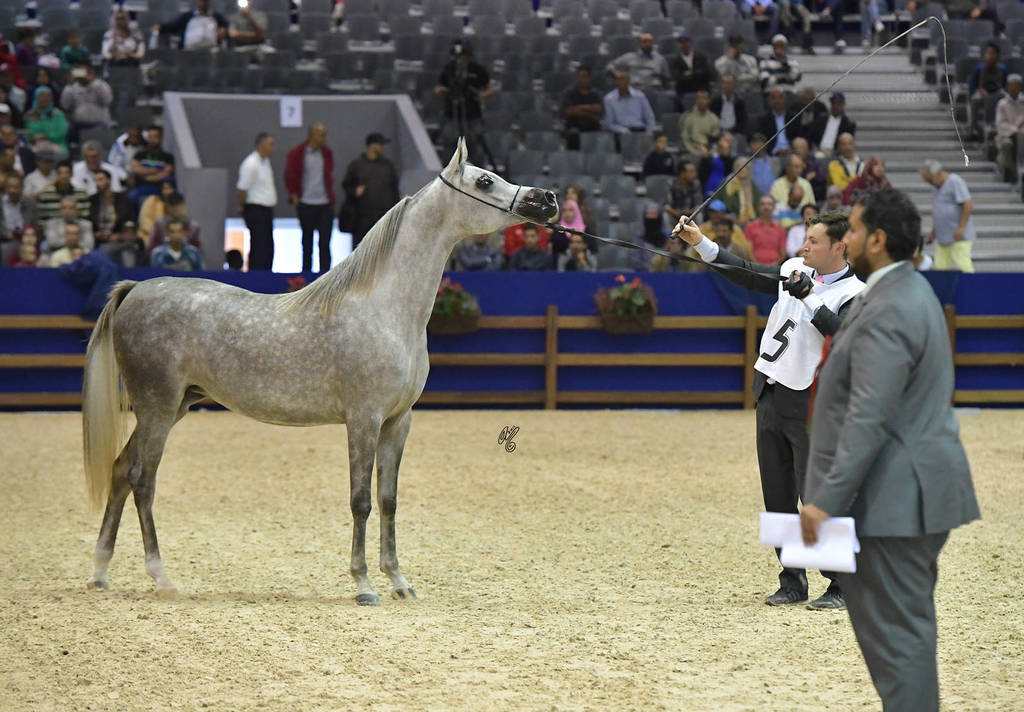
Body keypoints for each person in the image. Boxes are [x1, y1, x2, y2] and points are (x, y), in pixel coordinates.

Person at [800, 188, 979, 710]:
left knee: (897, 643)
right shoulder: (904, 291)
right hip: (906, 494)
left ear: (876, 240)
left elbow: (869, 413)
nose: (847, 237)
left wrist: (826, 499)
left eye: (853, 229)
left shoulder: (890, 303)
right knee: (903, 634)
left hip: (897, 501)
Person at [676, 208, 865, 609]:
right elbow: (746, 272)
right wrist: (700, 243)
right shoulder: (794, 268)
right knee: (777, 495)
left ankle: (841, 584)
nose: (804, 246)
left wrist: (809, 297)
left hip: (814, 401)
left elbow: (842, 334)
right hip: (772, 390)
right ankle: (792, 580)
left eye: (813, 241)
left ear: (839, 246)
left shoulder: (856, 293)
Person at [285, 122, 335, 272]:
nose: (324, 138)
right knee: (307, 242)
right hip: (306, 203)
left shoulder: (327, 153)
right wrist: (294, 195)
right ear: (312, 135)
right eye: (321, 135)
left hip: (324, 203)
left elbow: (329, 174)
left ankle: (326, 275)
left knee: (325, 243)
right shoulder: (297, 153)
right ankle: (306, 275)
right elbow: (290, 175)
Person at [435, 39, 492, 166]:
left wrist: (481, 95)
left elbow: (489, 89)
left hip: (472, 114)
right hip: (452, 114)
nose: (461, 58)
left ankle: (478, 172)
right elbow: (439, 87)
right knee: (450, 143)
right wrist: (442, 92)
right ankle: (448, 171)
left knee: (474, 144)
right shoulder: (449, 69)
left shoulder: (478, 69)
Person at [341, 132, 400, 251]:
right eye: (381, 144)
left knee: (383, 252)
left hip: (384, 218)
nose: (383, 148)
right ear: (372, 146)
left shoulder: (387, 165)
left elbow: (395, 190)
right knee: (360, 252)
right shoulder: (357, 165)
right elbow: (346, 185)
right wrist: (354, 191)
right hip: (362, 219)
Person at [921, 159, 975, 273]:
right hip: (943, 238)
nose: (930, 184)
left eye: (930, 180)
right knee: (940, 268)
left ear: (938, 174)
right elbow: (940, 211)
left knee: (964, 266)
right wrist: (934, 231)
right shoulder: (936, 188)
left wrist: (961, 227)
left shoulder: (954, 181)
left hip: (959, 237)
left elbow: (968, 203)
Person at [236, 132, 277, 270]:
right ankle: (257, 276)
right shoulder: (251, 164)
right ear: (261, 146)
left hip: (265, 209)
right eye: (271, 144)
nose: (273, 148)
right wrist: (243, 206)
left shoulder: (265, 162)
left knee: (268, 246)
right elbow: (242, 189)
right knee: (259, 246)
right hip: (255, 208)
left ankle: (266, 273)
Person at [88, 168, 136, 264]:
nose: (97, 183)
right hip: (98, 241)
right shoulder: (92, 200)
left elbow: (131, 222)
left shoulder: (123, 199)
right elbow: (89, 221)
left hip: (120, 239)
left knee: (105, 251)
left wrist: (120, 236)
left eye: (100, 179)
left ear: (108, 180)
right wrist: (95, 234)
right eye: (96, 180)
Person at [60, 65, 114, 141]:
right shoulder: (72, 87)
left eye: (84, 72)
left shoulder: (100, 85)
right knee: (67, 128)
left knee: (98, 131)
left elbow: (107, 100)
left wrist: (92, 82)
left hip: (98, 124)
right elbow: (65, 105)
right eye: (79, 72)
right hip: (77, 124)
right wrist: (69, 85)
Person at [129, 125, 175, 208]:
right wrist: (156, 170)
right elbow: (135, 169)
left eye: (155, 137)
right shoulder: (139, 155)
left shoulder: (167, 157)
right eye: (150, 137)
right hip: (141, 187)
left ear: (160, 138)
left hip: (159, 188)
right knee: (131, 197)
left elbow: (167, 172)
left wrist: (147, 175)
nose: (152, 140)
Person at [155, 0, 229, 51]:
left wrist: (223, 30)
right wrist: (161, 27)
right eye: (201, 1)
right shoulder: (188, 16)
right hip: (189, 50)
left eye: (205, 1)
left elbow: (225, 27)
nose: (203, 4)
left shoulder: (216, 17)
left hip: (211, 49)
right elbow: (174, 25)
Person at [562, 65, 603, 151]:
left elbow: (598, 109)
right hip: (574, 125)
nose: (582, 79)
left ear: (589, 77)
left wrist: (578, 109)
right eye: (579, 77)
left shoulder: (595, 93)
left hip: (592, 126)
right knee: (573, 134)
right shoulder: (569, 93)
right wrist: (590, 111)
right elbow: (569, 111)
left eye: (584, 77)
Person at [995, 73, 1024, 183]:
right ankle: (1010, 172)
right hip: (1007, 135)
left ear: (1020, 87)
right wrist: (1014, 131)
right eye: (1010, 85)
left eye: (1015, 85)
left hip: (1022, 134)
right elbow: (1000, 124)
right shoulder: (1002, 104)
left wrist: (1020, 132)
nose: (1012, 88)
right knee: (1007, 144)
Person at [24, 87, 68, 156]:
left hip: (57, 144)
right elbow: (27, 133)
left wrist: (47, 136)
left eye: (47, 96)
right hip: (35, 144)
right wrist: (34, 138)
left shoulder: (58, 114)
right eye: (41, 96)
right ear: (36, 97)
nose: (44, 98)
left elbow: (62, 132)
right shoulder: (30, 115)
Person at [745, 194, 788, 264]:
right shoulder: (750, 227)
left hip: (775, 269)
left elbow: (783, 253)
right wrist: (758, 266)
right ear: (758, 207)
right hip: (754, 268)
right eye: (763, 204)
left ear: (774, 208)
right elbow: (748, 251)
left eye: (769, 204)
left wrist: (774, 265)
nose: (766, 207)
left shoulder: (781, 230)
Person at [755, 87, 796, 156]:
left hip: (791, 152)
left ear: (785, 99)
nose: (777, 100)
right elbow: (762, 139)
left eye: (780, 97)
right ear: (770, 100)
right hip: (772, 153)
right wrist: (775, 151)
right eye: (774, 98)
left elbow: (797, 136)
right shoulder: (763, 119)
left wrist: (791, 149)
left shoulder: (793, 117)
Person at [721, 156, 762, 226]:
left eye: (746, 167)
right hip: (732, 221)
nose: (743, 170)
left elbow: (758, 204)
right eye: (739, 167)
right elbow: (719, 202)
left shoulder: (752, 185)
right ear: (735, 168)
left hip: (751, 221)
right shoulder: (727, 184)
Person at [813, 92, 856, 157]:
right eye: (834, 103)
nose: (836, 106)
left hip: (836, 153)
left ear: (843, 105)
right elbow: (811, 136)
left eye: (838, 104)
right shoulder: (821, 119)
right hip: (819, 150)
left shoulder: (848, 124)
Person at [679, 89, 720, 156]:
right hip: (690, 152)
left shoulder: (714, 119)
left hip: (708, 152)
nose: (701, 101)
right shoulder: (688, 117)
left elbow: (714, 141)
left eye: (704, 98)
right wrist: (695, 153)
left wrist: (708, 152)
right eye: (699, 98)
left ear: (709, 101)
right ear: (696, 101)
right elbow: (685, 140)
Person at [0, 173, 38, 243]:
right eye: (9, 187)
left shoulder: (30, 204)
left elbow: (35, 225)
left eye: (16, 187)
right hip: (3, 240)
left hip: (26, 241)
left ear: (22, 188)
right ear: (5, 188)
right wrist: (5, 234)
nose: (12, 190)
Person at [698, 131, 735, 199]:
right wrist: (705, 157)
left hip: (725, 196)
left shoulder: (732, 160)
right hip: (708, 194)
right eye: (727, 140)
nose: (729, 144)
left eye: (731, 141)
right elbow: (702, 174)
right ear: (719, 141)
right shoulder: (709, 157)